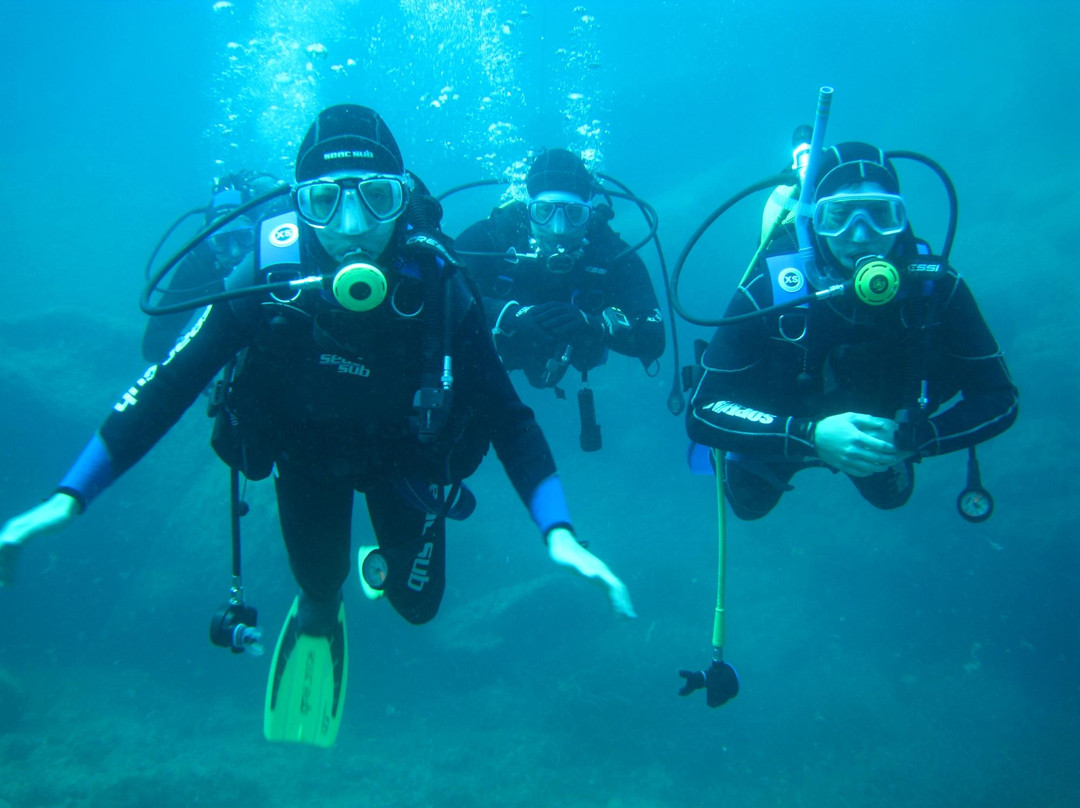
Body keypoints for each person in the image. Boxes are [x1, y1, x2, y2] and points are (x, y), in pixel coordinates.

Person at [0, 104, 635, 748]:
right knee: (319, 593)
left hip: (406, 467)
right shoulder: (266, 276)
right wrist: (67, 496)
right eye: (326, 201)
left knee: (418, 609)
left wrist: (559, 532)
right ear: (298, 202)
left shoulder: (439, 283)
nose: (353, 228)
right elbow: (167, 384)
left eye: (378, 197)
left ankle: (377, 567)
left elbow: (510, 419)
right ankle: (323, 608)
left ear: (403, 198)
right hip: (307, 463)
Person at [685, 141, 1018, 520]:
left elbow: (1000, 397)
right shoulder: (772, 288)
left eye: (880, 215)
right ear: (814, 219)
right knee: (748, 504)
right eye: (838, 216)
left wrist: (917, 439)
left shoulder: (935, 287)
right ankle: (774, 448)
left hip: (881, 437)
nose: (861, 235)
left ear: (902, 218)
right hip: (784, 425)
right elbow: (702, 410)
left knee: (892, 498)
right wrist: (809, 436)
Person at [454, 149, 665, 410]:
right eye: (544, 211)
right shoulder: (496, 236)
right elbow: (444, 291)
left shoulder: (608, 252)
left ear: (590, 215)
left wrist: (595, 325)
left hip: (571, 355)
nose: (559, 229)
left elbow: (654, 337)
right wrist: (508, 314)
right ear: (527, 210)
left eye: (575, 214)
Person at [141, 170, 282, 362]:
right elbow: (155, 342)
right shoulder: (201, 262)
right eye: (220, 241)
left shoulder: (280, 252)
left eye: (244, 237)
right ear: (207, 242)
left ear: (260, 232)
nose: (234, 252)